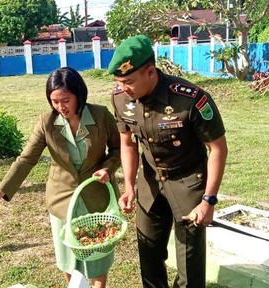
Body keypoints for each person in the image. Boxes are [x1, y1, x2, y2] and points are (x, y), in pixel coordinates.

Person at [0, 67, 121, 288]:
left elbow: (117, 150)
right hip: (62, 201)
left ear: (79, 94)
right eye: (54, 101)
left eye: (65, 100)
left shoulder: (101, 115)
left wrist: (107, 169)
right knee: (68, 260)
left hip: (97, 198)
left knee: (98, 261)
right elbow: (25, 160)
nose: (60, 107)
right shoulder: (47, 122)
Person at [108, 35, 228, 288]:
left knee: (189, 265)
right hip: (150, 184)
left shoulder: (190, 98)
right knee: (148, 253)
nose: (123, 88)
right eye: (119, 82)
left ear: (150, 71)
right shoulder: (120, 98)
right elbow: (127, 142)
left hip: (188, 184)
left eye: (128, 81)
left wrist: (208, 200)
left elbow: (217, 148)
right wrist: (129, 185)